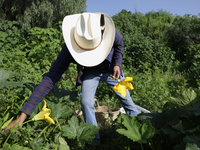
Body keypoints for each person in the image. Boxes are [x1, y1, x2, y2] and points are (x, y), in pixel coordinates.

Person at [1, 12, 138, 141]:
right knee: (85, 102)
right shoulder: (69, 49)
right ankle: (93, 139)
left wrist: (117, 64)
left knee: (126, 100)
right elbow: (50, 79)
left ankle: (138, 131)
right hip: (91, 72)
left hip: (110, 70)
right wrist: (22, 116)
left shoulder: (112, 33)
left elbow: (120, 45)